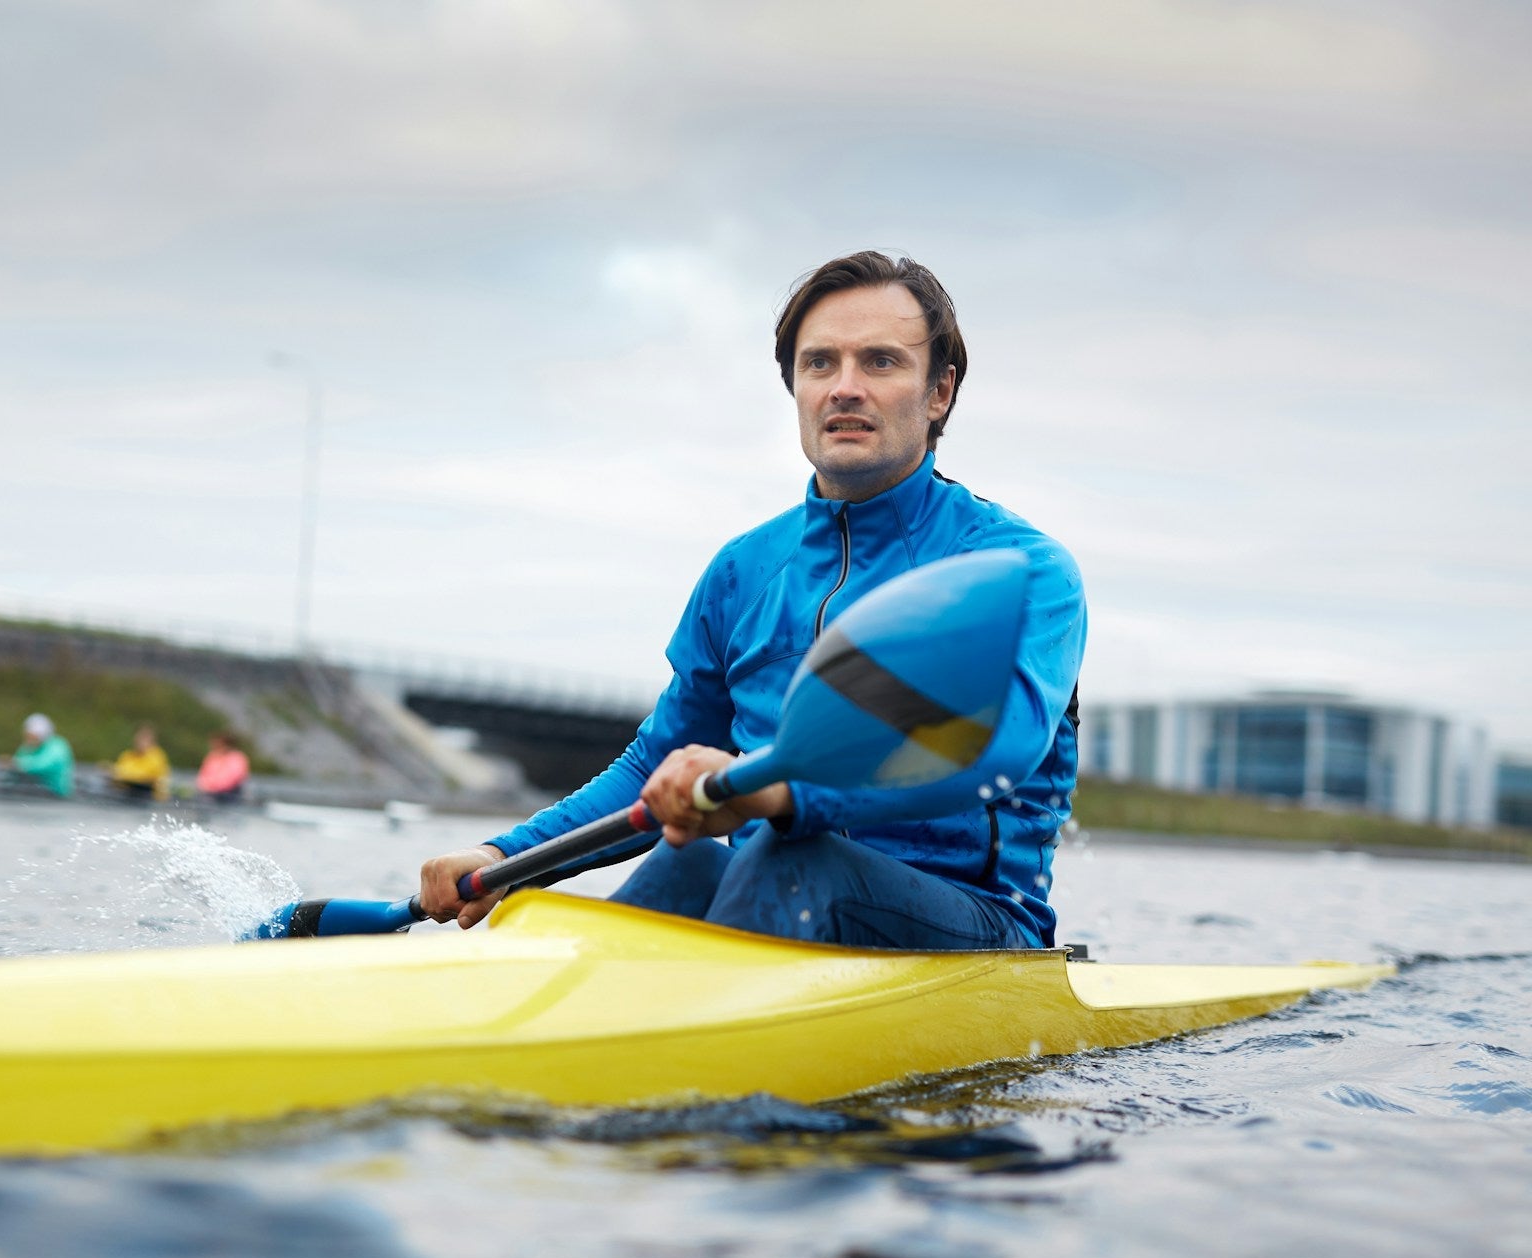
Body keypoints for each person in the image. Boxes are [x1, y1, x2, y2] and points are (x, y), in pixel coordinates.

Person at [419, 251, 1086, 951]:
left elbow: (997, 751)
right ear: (796, 386)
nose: (845, 388)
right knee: (687, 860)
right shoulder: (744, 573)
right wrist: (505, 857)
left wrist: (780, 795)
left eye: (880, 362)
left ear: (939, 392)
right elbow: (654, 767)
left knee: (787, 855)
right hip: (772, 897)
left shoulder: (1021, 571)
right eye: (820, 363)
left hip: (976, 927)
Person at [7, 712, 75, 797]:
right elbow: (18, 758)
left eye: (32, 736)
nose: (29, 739)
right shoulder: (28, 746)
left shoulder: (57, 746)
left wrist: (17, 764)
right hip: (34, 791)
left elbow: (45, 764)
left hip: (56, 794)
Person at [108, 724, 170, 802]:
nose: (140, 743)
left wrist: (121, 775)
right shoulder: (127, 755)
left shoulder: (157, 757)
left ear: (152, 741)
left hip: (149, 797)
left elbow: (148, 777)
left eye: (144, 739)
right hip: (128, 793)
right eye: (139, 739)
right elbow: (119, 771)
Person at [195, 730, 251, 802]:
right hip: (209, 793)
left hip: (229, 795)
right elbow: (203, 775)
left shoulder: (237, 758)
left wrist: (213, 787)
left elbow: (232, 779)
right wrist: (204, 786)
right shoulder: (212, 756)